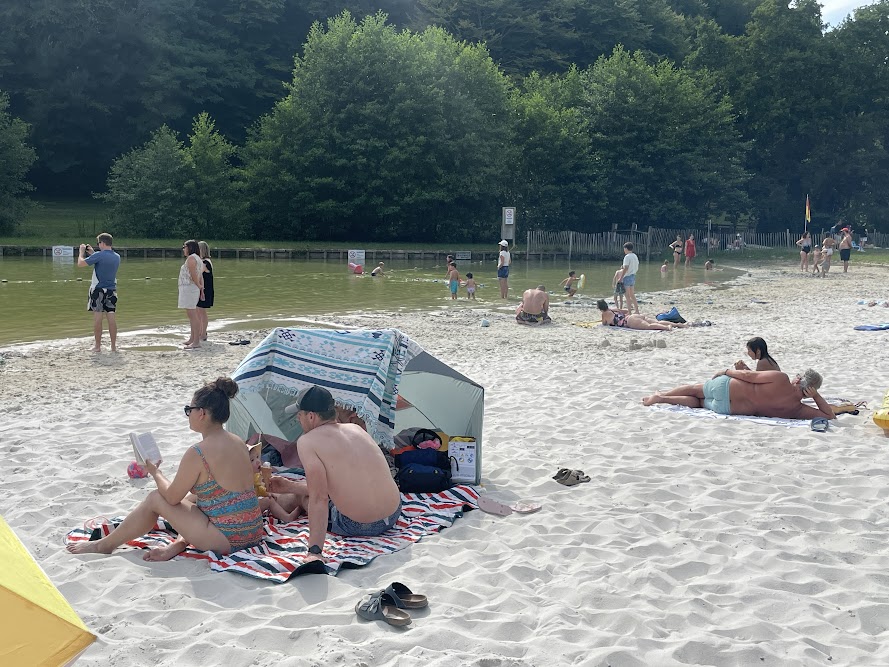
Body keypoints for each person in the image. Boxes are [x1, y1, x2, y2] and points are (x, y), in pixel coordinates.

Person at [68, 377, 266, 560]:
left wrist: (155, 472)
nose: (188, 414)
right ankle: (177, 545)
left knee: (156, 498)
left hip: (228, 539)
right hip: (253, 531)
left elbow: (171, 497)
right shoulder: (239, 442)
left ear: (202, 413)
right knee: (191, 499)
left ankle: (105, 545)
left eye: (190, 409)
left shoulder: (198, 452)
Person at [269, 386, 402, 562]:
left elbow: (320, 498)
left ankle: (275, 501)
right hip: (393, 514)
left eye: (299, 414)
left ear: (311, 416)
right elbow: (348, 482)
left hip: (360, 525)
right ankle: (288, 488)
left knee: (304, 499)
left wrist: (314, 551)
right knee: (322, 489)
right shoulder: (356, 429)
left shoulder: (307, 441)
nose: (298, 418)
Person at [642, 369, 836, 421]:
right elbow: (829, 416)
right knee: (699, 402)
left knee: (695, 389)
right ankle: (663, 399)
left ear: (798, 379)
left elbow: (749, 376)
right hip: (727, 408)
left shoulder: (781, 379)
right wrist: (817, 398)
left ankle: (662, 396)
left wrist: (727, 371)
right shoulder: (797, 409)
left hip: (727, 388)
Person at [78, 232, 121, 352]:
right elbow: (102, 262)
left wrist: (81, 252)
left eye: (99, 243)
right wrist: (92, 253)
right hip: (112, 290)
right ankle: (113, 346)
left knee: (98, 318)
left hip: (98, 289)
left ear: (102, 243)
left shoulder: (99, 256)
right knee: (111, 317)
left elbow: (80, 263)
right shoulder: (117, 257)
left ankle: (97, 346)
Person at [248, 442, 304, 523]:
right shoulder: (243, 480)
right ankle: (286, 517)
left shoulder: (255, 476)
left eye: (257, 457)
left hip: (249, 508)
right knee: (269, 501)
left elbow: (257, 489)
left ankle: (287, 515)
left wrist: (266, 493)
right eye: (252, 460)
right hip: (245, 511)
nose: (257, 461)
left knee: (269, 499)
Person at [179, 239, 204, 349]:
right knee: (191, 315)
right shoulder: (197, 258)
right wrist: (201, 289)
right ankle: (192, 338)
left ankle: (196, 341)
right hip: (190, 288)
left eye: (185, 247)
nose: (184, 249)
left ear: (190, 248)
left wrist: (199, 286)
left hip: (190, 288)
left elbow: (194, 275)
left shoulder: (191, 259)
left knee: (193, 315)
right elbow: (200, 275)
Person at [596, 299, 680, 331]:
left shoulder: (604, 314)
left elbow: (604, 324)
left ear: (600, 308)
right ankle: (679, 325)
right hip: (632, 317)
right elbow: (626, 311)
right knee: (657, 322)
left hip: (630, 321)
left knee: (649, 326)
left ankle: (667, 328)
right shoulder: (613, 309)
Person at [196, 241, 214, 343]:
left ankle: (203, 333)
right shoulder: (203, 261)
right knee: (199, 310)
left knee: (201, 311)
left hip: (205, 290)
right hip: (201, 289)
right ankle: (201, 331)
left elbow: (198, 272)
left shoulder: (206, 262)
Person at [614, 242, 640, 314]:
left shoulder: (627, 257)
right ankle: (637, 310)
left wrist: (621, 278)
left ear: (626, 248)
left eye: (624, 249)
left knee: (627, 296)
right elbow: (637, 266)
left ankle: (629, 312)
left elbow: (625, 268)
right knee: (632, 294)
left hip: (627, 277)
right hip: (633, 275)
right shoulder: (635, 256)